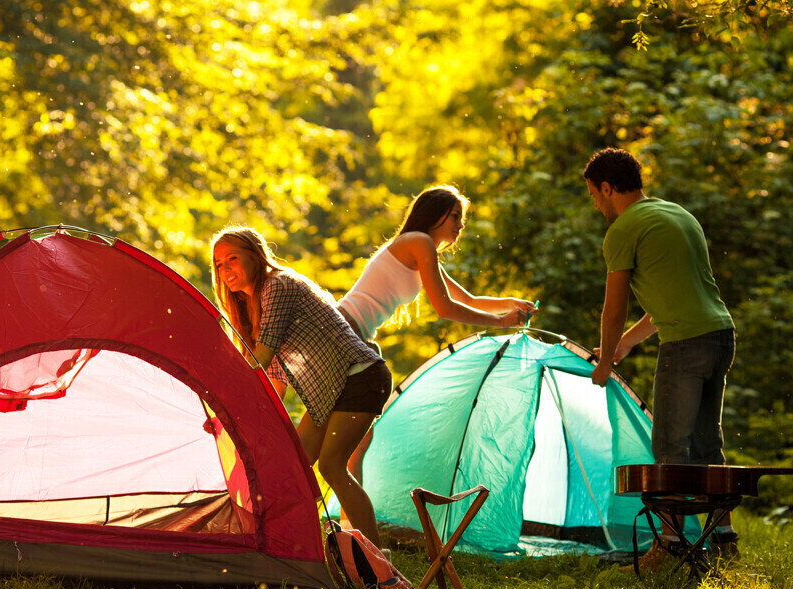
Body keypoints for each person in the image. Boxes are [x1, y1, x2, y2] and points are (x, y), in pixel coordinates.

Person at [582, 147, 737, 567]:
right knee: (708, 442)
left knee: (670, 445)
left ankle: (669, 548)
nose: (596, 204)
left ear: (608, 188)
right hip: (720, 335)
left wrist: (605, 363)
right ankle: (724, 540)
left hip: (684, 345)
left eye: (595, 195)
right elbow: (667, 301)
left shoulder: (623, 230)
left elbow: (614, 308)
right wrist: (626, 344)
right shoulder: (676, 215)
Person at [337, 185, 537, 481]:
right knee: (350, 436)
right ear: (435, 213)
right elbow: (445, 308)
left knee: (357, 438)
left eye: (462, 218)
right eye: (455, 215)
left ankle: (346, 522)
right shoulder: (418, 242)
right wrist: (504, 323)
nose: (461, 224)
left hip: (354, 334)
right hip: (346, 329)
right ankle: (333, 516)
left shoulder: (419, 248)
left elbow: (466, 300)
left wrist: (512, 303)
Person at [212, 227, 391, 547]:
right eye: (219, 264)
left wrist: (223, 403)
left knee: (332, 466)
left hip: (360, 377)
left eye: (233, 259)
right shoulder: (255, 307)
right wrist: (236, 423)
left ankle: (377, 560)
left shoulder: (276, 287)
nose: (226, 270)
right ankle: (282, 545)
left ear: (255, 255)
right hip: (334, 391)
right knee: (294, 464)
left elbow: (261, 360)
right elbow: (273, 388)